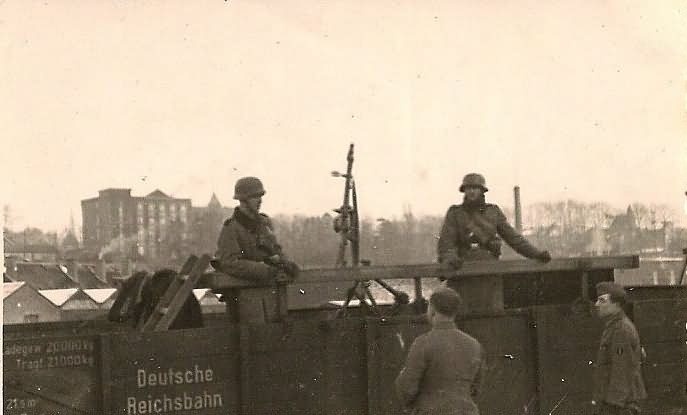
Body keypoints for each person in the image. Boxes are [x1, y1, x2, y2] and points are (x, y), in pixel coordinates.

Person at [212, 176, 299, 322]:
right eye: (254, 196)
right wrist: (264, 269)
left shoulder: (264, 224)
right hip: (247, 300)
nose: (260, 201)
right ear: (243, 199)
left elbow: (275, 249)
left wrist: (285, 263)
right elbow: (229, 262)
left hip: (273, 296)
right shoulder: (231, 228)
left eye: (260, 196)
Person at [395, 287, 487, 415]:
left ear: (432, 311)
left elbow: (406, 388)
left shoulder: (423, 343)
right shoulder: (474, 344)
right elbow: (476, 388)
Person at [438, 173, 551, 270]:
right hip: (463, 268)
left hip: (490, 266)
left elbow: (514, 239)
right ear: (464, 191)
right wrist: (451, 259)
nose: (472, 191)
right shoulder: (455, 213)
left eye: (475, 188)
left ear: (482, 191)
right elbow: (446, 243)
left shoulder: (493, 212)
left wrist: (537, 254)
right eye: (468, 188)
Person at [592, 282, 646, 415]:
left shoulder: (621, 329)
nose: (596, 304)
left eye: (602, 300)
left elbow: (622, 368)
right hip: (618, 400)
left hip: (621, 404)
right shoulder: (614, 326)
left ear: (616, 304)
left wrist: (613, 405)